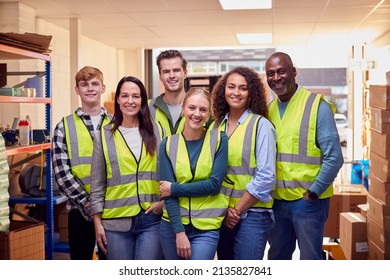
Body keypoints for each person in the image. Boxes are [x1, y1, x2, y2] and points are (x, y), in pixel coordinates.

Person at [265, 52, 344, 260]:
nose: (276, 78)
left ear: (293, 71)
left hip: (308, 202)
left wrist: (313, 193)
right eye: (270, 73)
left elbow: (334, 157)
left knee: (310, 260)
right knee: (276, 259)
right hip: (278, 201)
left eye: (281, 71)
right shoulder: (269, 110)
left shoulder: (317, 106)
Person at [90, 76, 163, 260]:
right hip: (115, 222)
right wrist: (97, 223)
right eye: (125, 96)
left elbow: (166, 173)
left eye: (136, 96)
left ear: (143, 100)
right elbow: (97, 185)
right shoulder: (103, 136)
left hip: (150, 219)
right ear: (118, 100)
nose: (130, 101)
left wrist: (162, 204)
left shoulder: (156, 131)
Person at [211, 66, 277, 260]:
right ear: (223, 90)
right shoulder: (216, 126)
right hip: (221, 214)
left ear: (251, 93)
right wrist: (225, 212)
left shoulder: (261, 125)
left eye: (243, 88)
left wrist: (236, 210)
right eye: (231, 87)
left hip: (252, 214)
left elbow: (266, 177)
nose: (236, 92)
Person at [158, 87, 229, 260]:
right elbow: (167, 196)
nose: (196, 114)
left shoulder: (219, 139)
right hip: (172, 226)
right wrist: (179, 233)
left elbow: (214, 185)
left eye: (203, 109)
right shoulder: (167, 144)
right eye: (192, 108)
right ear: (183, 108)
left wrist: (174, 188)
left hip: (206, 227)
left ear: (209, 113)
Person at [52, 66, 111, 260]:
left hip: (113, 209)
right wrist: (89, 203)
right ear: (77, 90)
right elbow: (62, 175)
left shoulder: (117, 124)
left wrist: (103, 203)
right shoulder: (63, 127)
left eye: (95, 84)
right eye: (84, 85)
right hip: (79, 210)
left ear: (102, 88)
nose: (90, 88)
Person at [149, 49, 188, 139]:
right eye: (166, 72)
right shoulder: (147, 108)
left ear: (185, 73)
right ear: (160, 76)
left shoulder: (201, 108)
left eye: (176, 70)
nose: (171, 76)